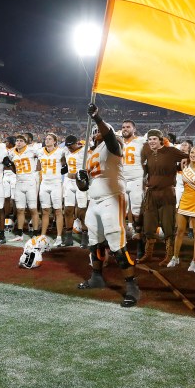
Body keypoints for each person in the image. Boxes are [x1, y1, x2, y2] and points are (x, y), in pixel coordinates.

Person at [76, 103, 140, 308]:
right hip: (94, 201)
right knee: (94, 242)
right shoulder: (91, 153)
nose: (95, 134)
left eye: (98, 131)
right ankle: (96, 276)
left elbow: (111, 138)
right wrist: (82, 181)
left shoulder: (113, 145)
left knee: (116, 243)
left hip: (112, 198)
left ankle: (132, 287)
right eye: (94, 131)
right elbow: (87, 185)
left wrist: (97, 117)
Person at [139, 129, 185, 264]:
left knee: (168, 226)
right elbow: (141, 166)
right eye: (149, 139)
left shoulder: (171, 151)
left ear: (160, 140)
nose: (151, 141)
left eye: (154, 139)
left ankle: (169, 255)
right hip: (151, 193)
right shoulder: (145, 150)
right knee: (148, 225)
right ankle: (148, 254)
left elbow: (188, 157)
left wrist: (179, 168)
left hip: (167, 193)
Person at [173, 146, 195, 270]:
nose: (193, 155)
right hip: (184, 200)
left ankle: (194, 261)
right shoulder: (185, 166)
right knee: (180, 231)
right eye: (192, 152)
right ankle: (175, 257)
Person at [37, 133, 66, 245]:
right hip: (44, 183)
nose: (47, 140)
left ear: (55, 141)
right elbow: (38, 166)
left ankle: (59, 237)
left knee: (58, 210)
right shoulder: (40, 151)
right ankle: (43, 235)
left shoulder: (60, 151)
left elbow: (65, 163)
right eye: (46, 139)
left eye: (50, 139)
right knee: (45, 211)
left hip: (56, 183)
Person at [62, 135, 87, 247]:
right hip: (68, 181)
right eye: (67, 146)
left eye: (71, 145)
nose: (69, 148)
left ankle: (85, 235)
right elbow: (62, 158)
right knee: (68, 209)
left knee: (82, 211)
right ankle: (68, 236)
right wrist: (63, 166)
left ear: (76, 143)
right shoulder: (66, 151)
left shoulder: (84, 151)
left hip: (80, 183)